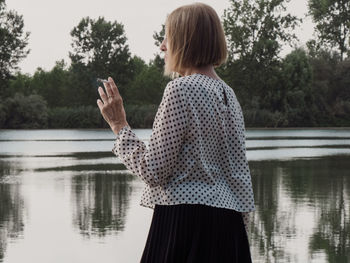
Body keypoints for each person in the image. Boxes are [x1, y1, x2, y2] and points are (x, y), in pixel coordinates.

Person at [96, 2, 255, 262]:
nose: (161, 46)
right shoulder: (229, 94)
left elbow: (153, 170)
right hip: (230, 226)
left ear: (186, 41)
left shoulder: (180, 89)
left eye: (167, 37)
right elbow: (239, 175)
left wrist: (119, 126)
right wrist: (240, 232)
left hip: (184, 224)